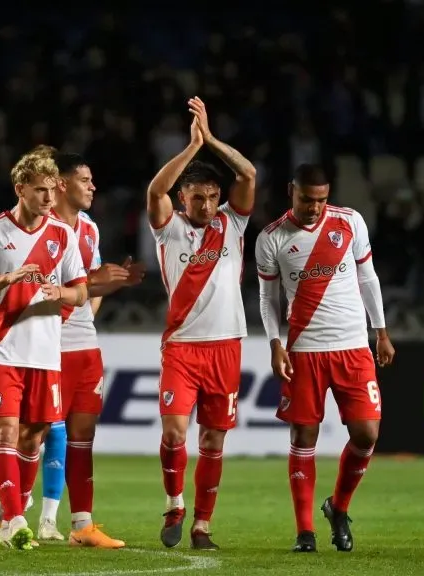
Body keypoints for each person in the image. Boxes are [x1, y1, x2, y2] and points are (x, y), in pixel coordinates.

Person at [254, 163, 395, 553]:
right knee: (304, 436)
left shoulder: (350, 222)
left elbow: (368, 278)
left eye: (321, 199)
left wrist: (380, 331)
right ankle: (305, 532)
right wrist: (274, 343)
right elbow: (268, 299)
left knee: (367, 434)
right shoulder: (271, 239)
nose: (314, 207)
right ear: (290, 191)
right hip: (305, 351)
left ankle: (339, 507)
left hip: (353, 347)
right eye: (306, 199)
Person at [0, 150, 88, 550]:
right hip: (2, 349)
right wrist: (9, 278)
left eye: (52, 190)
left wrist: (60, 292)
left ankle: (6, 512)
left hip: (45, 353)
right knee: (5, 432)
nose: (49, 198)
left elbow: (81, 292)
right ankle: (16, 522)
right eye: (40, 190)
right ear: (20, 189)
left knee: (33, 439)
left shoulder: (62, 234)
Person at [145, 97, 256, 550]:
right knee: (174, 432)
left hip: (226, 347)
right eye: (198, 197)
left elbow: (247, 175)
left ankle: (203, 525)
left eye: (213, 196)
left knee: (213, 440)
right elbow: (155, 192)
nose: (208, 204)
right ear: (183, 199)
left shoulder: (233, 224)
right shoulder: (168, 228)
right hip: (183, 348)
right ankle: (175, 504)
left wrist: (211, 140)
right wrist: (191, 149)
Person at [41, 151, 143, 547]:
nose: (93, 187)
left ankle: (81, 525)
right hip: (46, 343)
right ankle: (12, 514)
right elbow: (43, 290)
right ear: (63, 184)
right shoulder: (42, 228)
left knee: (83, 433)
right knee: (37, 433)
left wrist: (108, 285)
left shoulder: (90, 229)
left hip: (85, 344)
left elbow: (88, 290)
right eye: (85, 180)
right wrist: (94, 284)